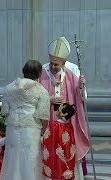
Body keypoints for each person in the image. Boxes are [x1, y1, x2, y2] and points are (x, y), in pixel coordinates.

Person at [38, 37, 90, 179]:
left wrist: (80, 86)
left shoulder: (70, 75)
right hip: (48, 123)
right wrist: (48, 100)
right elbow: (34, 97)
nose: (53, 67)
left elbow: (79, 98)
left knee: (65, 152)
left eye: (56, 64)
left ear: (64, 63)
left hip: (65, 125)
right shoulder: (42, 73)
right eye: (52, 63)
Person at [0, 60, 50, 180]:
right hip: (31, 129)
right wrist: (43, 131)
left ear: (24, 71)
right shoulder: (41, 90)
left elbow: (5, 111)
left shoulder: (9, 87)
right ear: (39, 74)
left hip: (13, 127)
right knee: (30, 158)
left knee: (12, 157)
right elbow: (43, 115)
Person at [42, 103, 77, 180]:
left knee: (56, 168)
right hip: (66, 151)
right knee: (65, 167)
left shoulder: (54, 125)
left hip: (55, 151)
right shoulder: (69, 126)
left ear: (61, 113)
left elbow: (47, 137)